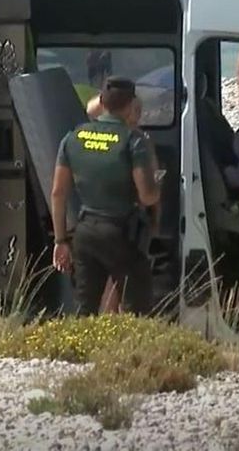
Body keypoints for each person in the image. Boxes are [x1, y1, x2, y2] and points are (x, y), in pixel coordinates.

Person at [52, 77, 161, 316]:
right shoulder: (134, 141)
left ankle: (83, 341)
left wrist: (60, 240)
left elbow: (58, 193)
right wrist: (158, 183)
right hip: (122, 234)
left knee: (85, 308)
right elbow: (147, 196)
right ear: (131, 105)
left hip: (85, 232)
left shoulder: (73, 137)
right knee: (136, 312)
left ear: (101, 101)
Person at [99, 97, 159, 314]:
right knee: (124, 282)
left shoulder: (101, 137)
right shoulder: (138, 141)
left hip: (101, 217)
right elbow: (150, 190)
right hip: (128, 220)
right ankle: (121, 324)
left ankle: (110, 324)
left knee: (110, 280)